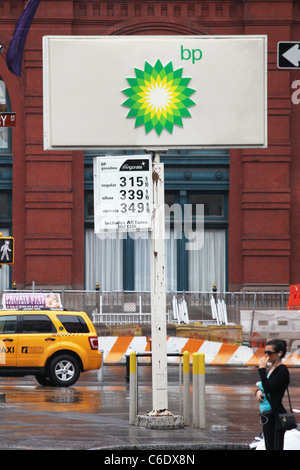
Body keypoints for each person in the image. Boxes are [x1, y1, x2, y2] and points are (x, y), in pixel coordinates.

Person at [255, 339, 290, 450]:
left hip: (274, 414)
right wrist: (258, 392)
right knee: (269, 445)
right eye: (265, 352)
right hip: (266, 413)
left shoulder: (282, 370)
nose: (266, 355)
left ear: (279, 353)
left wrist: (261, 370)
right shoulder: (271, 368)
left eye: (269, 353)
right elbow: (264, 386)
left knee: (274, 445)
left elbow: (269, 388)